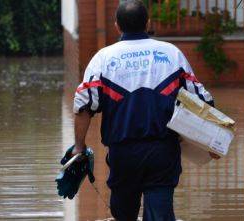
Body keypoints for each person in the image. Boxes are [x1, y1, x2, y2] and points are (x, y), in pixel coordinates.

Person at [71, 1, 215, 220]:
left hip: (123, 154)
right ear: (148, 23)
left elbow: (82, 106)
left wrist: (79, 148)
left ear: (117, 25)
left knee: (123, 213)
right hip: (163, 152)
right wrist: (213, 142)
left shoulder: (103, 59)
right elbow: (203, 100)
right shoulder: (172, 54)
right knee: (160, 212)